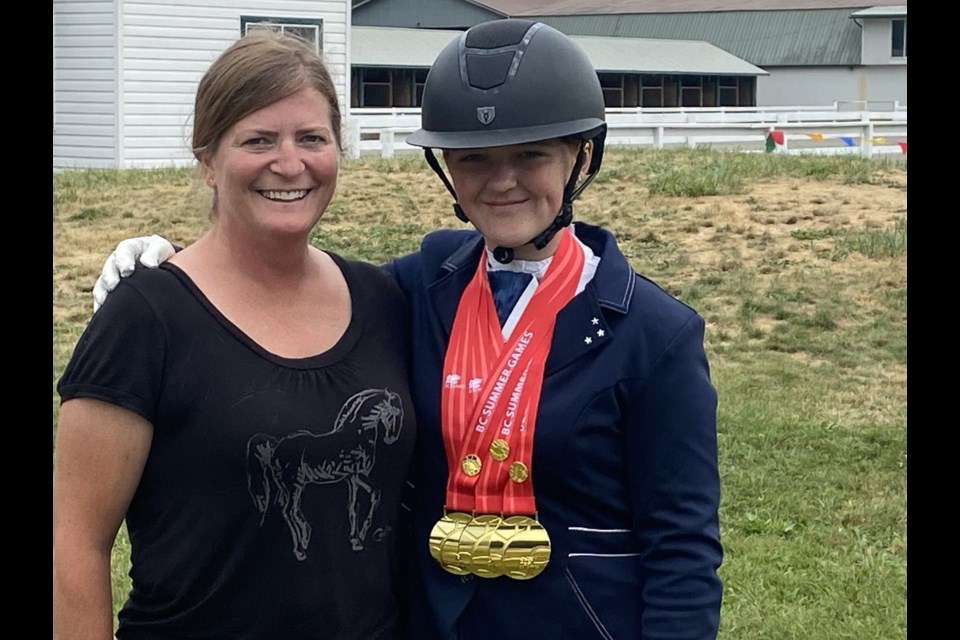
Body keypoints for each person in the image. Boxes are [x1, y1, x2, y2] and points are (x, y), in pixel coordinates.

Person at [87, 19, 723, 639]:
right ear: (447, 166)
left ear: (579, 156)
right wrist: (164, 267)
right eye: (474, 159)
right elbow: (284, 291)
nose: (501, 181)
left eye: (530, 155)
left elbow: (683, 552)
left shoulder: (654, 336)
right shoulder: (419, 290)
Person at [53, 32, 416, 640]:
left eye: (312, 138)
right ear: (207, 159)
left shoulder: (383, 301)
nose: (290, 162)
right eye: (258, 140)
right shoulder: (144, 318)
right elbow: (76, 544)